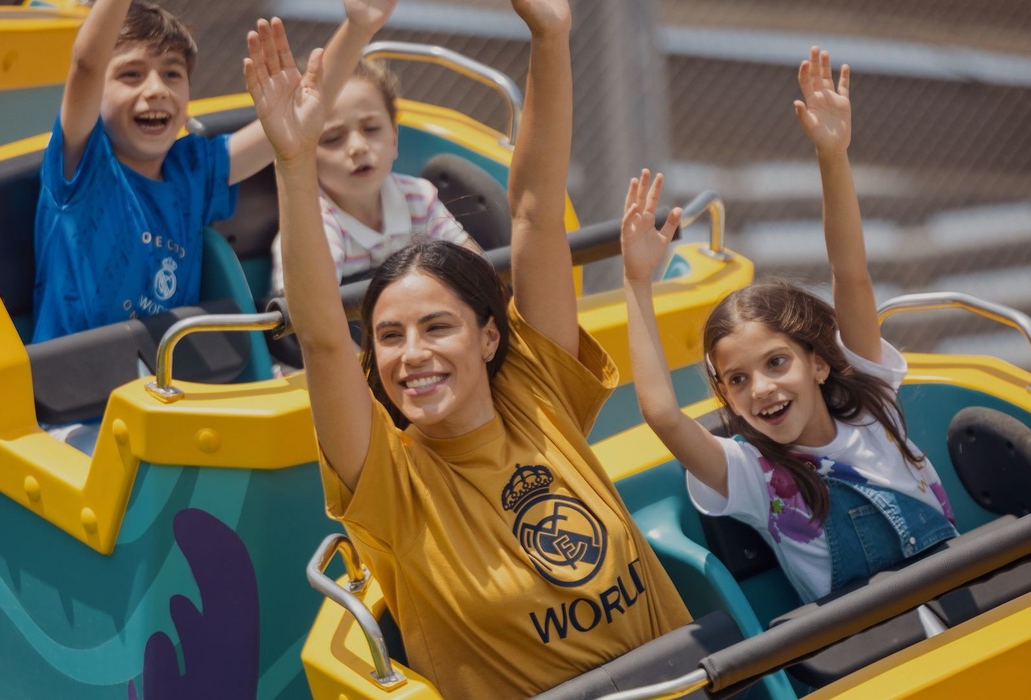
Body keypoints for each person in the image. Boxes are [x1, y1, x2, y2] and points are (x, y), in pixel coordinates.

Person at [245, 1, 689, 696]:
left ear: (489, 337)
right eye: (388, 336)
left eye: (436, 327)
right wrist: (293, 161)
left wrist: (549, 36)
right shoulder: (392, 488)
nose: (411, 353)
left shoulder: (537, 394)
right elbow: (325, 339)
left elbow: (536, 211)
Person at [621, 47, 956, 604]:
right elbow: (661, 414)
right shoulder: (750, 475)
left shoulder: (875, 409)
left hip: (960, 600)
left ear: (819, 363)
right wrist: (636, 282)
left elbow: (850, 274)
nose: (761, 389)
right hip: (867, 647)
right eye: (737, 380)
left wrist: (832, 155)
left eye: (776, 363)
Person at [32, 0, 397, 343]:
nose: (156, 89)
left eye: (172, 74)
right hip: (75, 397)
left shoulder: (194, 171)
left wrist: (358, 29)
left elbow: (298, 115)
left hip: (169, 379)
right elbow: (86, 65)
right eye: (131, 74)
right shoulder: (83, 163)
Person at [267, 58, 479, 296]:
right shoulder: (314, 226)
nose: (358, 147)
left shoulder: (418, 197)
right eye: (333, 138)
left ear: (394, 138)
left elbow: (471, 262)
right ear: (305, 157)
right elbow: (309, 310)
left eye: (371, 129)